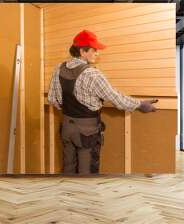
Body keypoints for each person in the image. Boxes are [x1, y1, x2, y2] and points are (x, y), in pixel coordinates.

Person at [47, 30, 157, 175]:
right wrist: (141, 104)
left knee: (68, 169)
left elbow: (53, 100)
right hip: (87, 132)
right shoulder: (92, 74)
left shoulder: (58, 69)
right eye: (94, 49)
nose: (97, 53)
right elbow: (116, 98)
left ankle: (68, 197)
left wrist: (71, 110)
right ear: (82, 51)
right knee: (87, 173)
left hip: (67, 129)